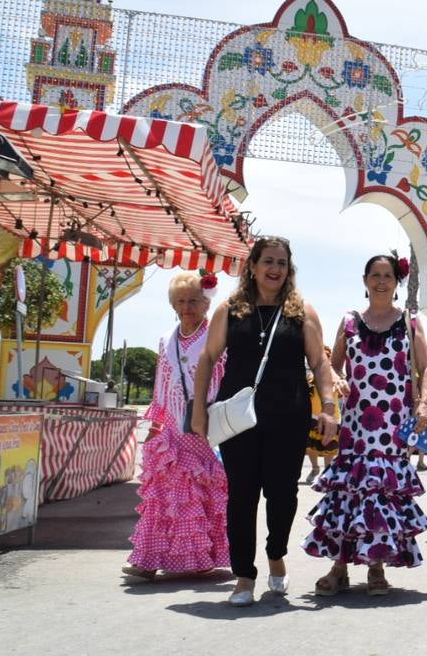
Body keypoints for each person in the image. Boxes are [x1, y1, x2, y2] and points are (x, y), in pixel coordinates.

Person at [192, 237, 336, 607]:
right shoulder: (230, 309)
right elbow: (208, 358)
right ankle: (243, 575)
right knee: (241, 496)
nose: (275, 269)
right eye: (268, 261)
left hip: (289, 415)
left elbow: (320, 363)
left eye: (282, 263)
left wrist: (330, 407)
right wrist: (198, 409)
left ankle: (276, 552)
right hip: (239, 420)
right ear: (253, 266)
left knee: (283, 494)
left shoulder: (302, 311)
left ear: (289, 270)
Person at [303, 253, 427, 596]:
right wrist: (337, 378)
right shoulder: (349, 321)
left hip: (392, 426)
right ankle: (340, 567)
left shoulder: (411, 322)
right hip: (357, 425)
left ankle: (376, 566)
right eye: (374, 275)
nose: (381, 281)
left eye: (387, 276)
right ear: (365, 281)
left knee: (381, 492)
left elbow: (426, 368)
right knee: (350, 490)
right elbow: (328, 365)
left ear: (396, 282)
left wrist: (423, 404)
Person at [122, 272, 229, 580]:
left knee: (197, 492)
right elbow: (162, 382)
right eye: (181, 301)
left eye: (194, 301)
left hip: (205, 426)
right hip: (172, 425)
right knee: (163, 495)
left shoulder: (215, 336)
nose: (187, 307)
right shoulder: (167, 339)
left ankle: (199, 557)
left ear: (206, 303)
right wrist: (156, 424)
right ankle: (147, 558)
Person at [305, 346, 339, 483]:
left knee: (329, 447)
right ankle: (314, 468)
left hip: (332, 416)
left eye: (326, 355)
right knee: (311, 446)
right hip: (313, 415)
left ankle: (327, 471)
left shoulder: (336, 376)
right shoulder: (310, 375)